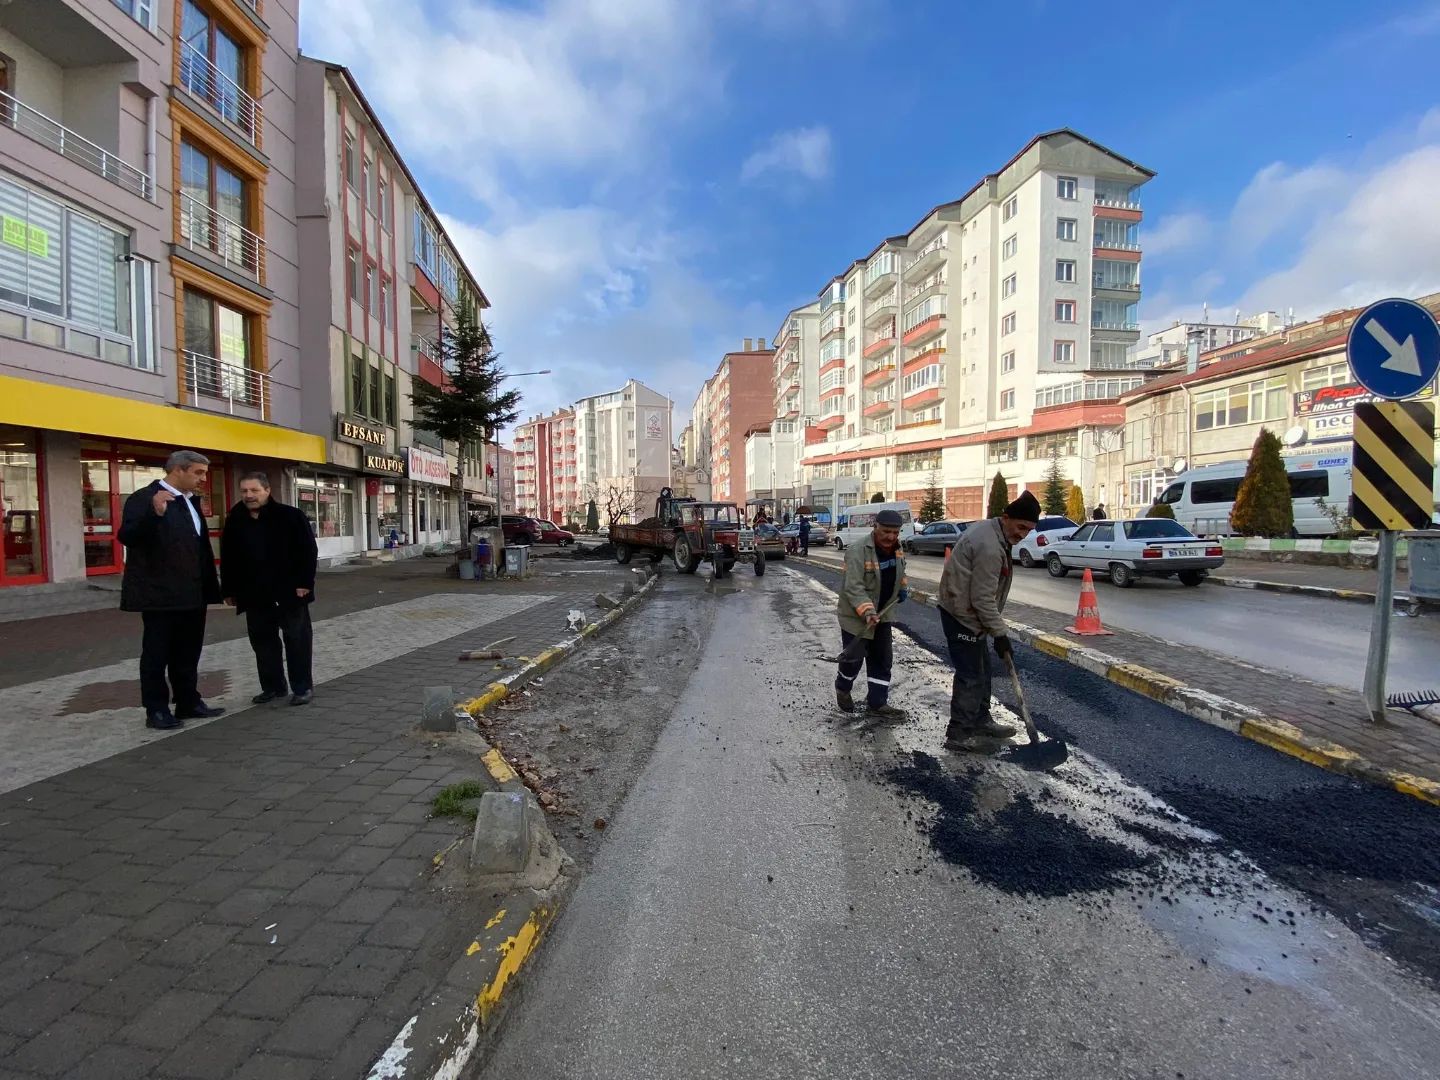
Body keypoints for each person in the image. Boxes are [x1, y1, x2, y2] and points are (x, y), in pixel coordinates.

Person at [118, 450, 225, 730]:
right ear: (178, 470)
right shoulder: (144, 498)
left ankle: (188, 701)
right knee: (157, 654)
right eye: (198, 473)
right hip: (159, 595)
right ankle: (156, 709)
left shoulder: (190, 502)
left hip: (192, 593)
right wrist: (154, 514)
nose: (203, 479)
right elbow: (128, 536)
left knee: (188, 652)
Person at [936, 490, 1042, 752]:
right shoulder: (989, 546)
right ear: (1006, 518)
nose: (1023, 534)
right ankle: (959, 734)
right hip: (962, 615)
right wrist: (1000, 634)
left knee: (982, 670)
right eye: (1020, 527)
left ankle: (981, 721)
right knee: (971, 675)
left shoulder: (995, 533)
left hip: (971, 613)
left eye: (1028, 530)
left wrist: (994, 631)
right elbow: (982, 598)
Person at [220, 472, 319, 706]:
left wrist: (304, 583)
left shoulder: (290, 516)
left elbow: (308, 551)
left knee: (297, 640)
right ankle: (273, 687)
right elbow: (229, 556)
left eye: (254, 490)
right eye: (244, 491)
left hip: (289, 592)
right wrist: (229, 590)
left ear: (267, 490)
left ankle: (302, 687)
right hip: (254, 594)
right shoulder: (236, 518)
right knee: (263, 642)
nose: (249, 495)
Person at [835, 508, 909, 721]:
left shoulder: (897, 548)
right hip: (857, 618)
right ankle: (842, 687)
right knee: (853, 660)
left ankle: (877, 703)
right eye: (886, 531)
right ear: (875, 527)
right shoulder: (858, 550)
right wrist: (867, 611)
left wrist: (903, 588)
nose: (891, 537)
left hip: (883, 615)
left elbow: (900, 572)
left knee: (882, 660)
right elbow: (853, 587)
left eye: (895, 533)